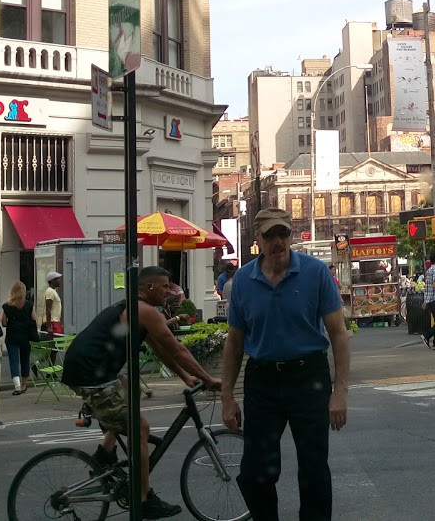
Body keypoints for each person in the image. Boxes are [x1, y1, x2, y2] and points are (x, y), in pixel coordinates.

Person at [221, 208, 351, 521]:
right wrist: (227, 396)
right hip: (263, 381)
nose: (278, 241)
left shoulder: (314, 272)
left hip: (309, 378)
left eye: (283, 234)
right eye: (269, 235)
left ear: (291, 235)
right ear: (258, 239)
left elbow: (338, 333)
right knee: (255, 472)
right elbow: (234, 342)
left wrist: (340, 392)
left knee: (313, 468)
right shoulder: (243, 281)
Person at [61, 265, 220, 519]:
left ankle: (105, 453)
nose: (169, 291)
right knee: (140, 429)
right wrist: (208, 378)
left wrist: (185, 377)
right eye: (165, 286)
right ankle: (145, 499)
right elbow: (178, 350)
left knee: (128, 390)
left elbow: (161, 350)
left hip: (90, 370)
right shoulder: (145, 311)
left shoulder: (136, 310)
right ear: (149, 287)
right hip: (91, 375)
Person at [2, 280, 39, 395]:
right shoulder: (29, 305)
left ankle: (17, 386)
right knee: (24, 360)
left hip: (12, 337)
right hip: (25, 337)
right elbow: (34, 319)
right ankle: (24, 385)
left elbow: (3, 323)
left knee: (14, 360)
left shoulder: (7, 306)